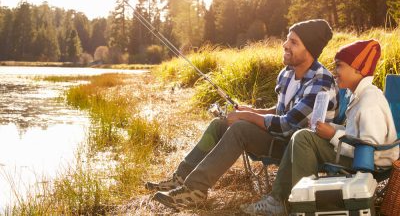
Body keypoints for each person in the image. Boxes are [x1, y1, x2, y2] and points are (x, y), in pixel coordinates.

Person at [146, 19, 337, 209]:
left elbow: (287, 125)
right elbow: (280, 112)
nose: (285, 45)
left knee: (240, 129)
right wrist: (251, 110)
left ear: (310, 50)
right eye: (288, 39)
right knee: (219, 124)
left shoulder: (321, 81)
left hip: (295, 149)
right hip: (279, 137)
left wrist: (247, 117)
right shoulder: (287, 73)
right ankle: (180, 178)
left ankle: (193, 192)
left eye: (294, 42)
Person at [242, 39, 400, 215]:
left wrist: (332, 134)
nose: (334, 72)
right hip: (359, 154)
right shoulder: (360, 95)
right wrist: (331, 128)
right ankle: (280, 199)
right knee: (303, 136)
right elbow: (356, 135)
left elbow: (368, 149)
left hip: (371, 164)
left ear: (358, 69)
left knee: (303, 139)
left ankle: (300, 205)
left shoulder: (369, 102)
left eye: (339, 66)